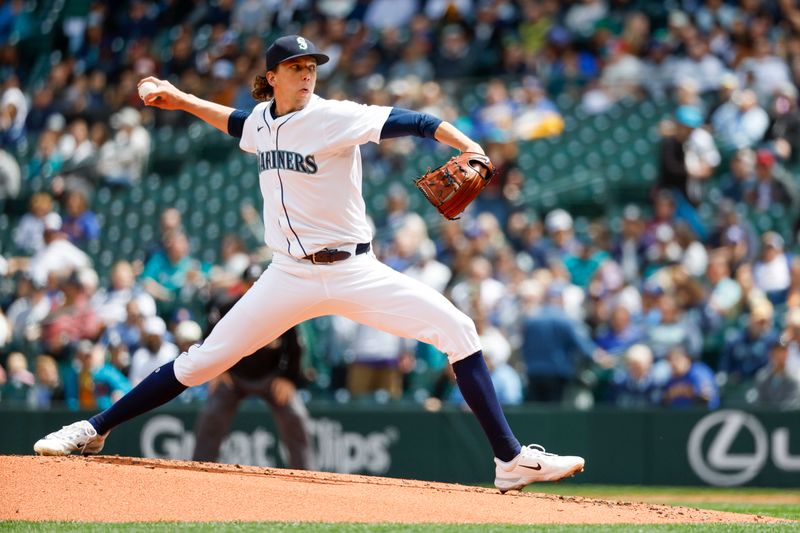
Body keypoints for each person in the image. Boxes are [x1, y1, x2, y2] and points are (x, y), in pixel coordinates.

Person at [32, 35, 584, 492]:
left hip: (353, 270)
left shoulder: (335, 117)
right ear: (272, 76)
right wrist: (178, 97)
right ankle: (94, 428)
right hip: (288, 274)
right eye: (295, 66)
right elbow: (234, 121)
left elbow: (417, 122)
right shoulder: (262, 124)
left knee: (458, 329)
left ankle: (509, 461)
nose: (307, 74)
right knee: (202, 361)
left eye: (312, 66)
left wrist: (472, 148)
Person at [192, 264, 313, 469]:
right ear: (243, 286)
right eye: (250, 284)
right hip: (234, 377)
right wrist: (217, 371)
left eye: (258, 284)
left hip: (271, 377)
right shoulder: (226, 307)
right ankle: (199, 469)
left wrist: (288, 378)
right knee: (211, 413)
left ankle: (306, 473)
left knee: (296, 415)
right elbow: (209, 338)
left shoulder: (281, 310)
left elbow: (296, 348)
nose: (254, 288)